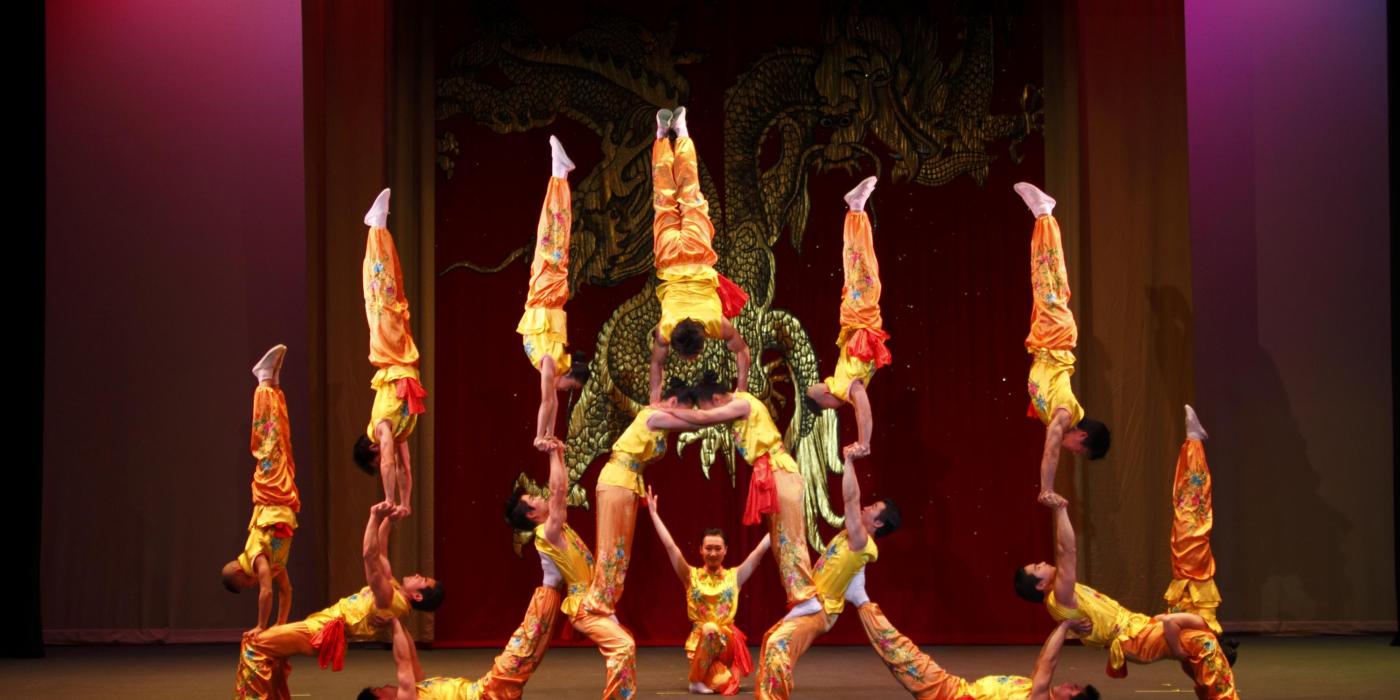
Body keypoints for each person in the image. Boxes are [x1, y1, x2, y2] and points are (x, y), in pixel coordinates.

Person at [1014, 495, 1238, 698]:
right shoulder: (1059, 596)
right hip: (1134, 638)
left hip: (1137, 630)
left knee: (1195, 641)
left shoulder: (1059, 595)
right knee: (1198, 642)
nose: (1042, 562)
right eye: (1037, 567)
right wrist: (1061, 509)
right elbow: (1067, 551)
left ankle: (1209, 684)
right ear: (1041, 584)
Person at [233, 503, 444, 699]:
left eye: (422, 579)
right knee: (270, 652)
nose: (417, 574)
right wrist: (390, 518)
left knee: (255, 644)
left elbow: (369, 556)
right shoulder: (394, 591)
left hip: (320, 632)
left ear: (417, 595)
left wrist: (374, 516)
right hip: (319, 626)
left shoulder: (389, 599)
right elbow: (380, 548)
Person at [754, 444, 901, 700]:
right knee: (772, 641)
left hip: (820, 611)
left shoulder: (862, 542)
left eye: (873, 507)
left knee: (779, 645)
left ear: (878, 522)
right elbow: (855, 578)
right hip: (812, 604)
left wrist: (850, 462)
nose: (866, 507)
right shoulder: (853, 541)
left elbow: (851, 500)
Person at [661, 373, 816, 611]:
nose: (711, 414)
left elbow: (703, 418)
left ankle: (805, 595)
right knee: (779, 539)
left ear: (716, 398)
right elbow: (741, 353)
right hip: (770, 473)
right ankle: (798, 594)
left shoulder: (740, 404)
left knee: (790, 536)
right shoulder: (739, 400)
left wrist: (662, 411)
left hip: (779, 470)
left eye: (708, 407)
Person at [1012, 183, 1110, 508]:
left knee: (1045, 277)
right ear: (1082, 437)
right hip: (1055, 338)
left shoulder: (1060, 414)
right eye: (1078, 450)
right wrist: (1046, 488)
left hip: (1045, 339)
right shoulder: (1065, 414)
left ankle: (1043, 215)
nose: (1071, 450)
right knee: (1047, 274)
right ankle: (1045, 213)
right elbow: (1052, 446)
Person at [648, 107, 750, 403]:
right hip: (669, 254)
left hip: (695, 251)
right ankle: (660, 137)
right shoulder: (665, 329)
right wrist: (654, 399)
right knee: (664, 198)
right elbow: (657, 364)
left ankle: (681, 132)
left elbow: (742, 352)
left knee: (690, 192)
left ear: (703, 340)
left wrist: (741, 389)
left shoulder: (716, 323)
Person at [857, 590, 1100, 700]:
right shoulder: (1036, 689)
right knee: (901, 655)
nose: (1069, 684)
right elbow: (1042, 662)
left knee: (902, 653)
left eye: (1073, 689)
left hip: (952, 696)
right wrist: (1062, 628)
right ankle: (861, 601)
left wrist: (1066, 626)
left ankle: (861, 599)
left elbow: (1049, 663)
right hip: (956, 688)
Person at [645, 485, 771, 694]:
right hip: (699, 643)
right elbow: (671, 547)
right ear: (701, 550)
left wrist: (779, 523)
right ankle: (706, 675)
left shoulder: (735, 576)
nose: (713, 553)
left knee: (712, 629)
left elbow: (759, 552)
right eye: (709, 548)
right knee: (725, 683)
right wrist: (654, 515)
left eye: (717, 548)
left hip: (726, 642)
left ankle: (696, 679)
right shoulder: (690, 576)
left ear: (725, 551)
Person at [353, 188, 428, 514]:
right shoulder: (400, 433)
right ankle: (379, 227)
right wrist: (405, 504)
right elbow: (404, 469)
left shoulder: (382, 426)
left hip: (390, 356)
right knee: (394, 295)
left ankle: (376, 227)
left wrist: (387, 499)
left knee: (380, 299)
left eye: (380, 453)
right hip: (404, 358)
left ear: (372, 446)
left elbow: (388, 464)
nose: (388, 454)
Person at [805, 176, 891, 453]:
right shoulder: (843, 389)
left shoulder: (842, 388)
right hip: (862, 321)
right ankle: (856, 210)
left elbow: (814, 392)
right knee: (863, 268)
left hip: (858, 319)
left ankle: (855, 208)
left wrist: (864, 441)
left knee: (861, 267)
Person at [517, 135, 592, 450]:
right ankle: (558, 174)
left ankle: (559, 174)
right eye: (568, 387)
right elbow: (549, 401)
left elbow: (551, 402)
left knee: (554, 237)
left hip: (546, 297)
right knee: (552, 236)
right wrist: (540, 435)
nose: (561, 390)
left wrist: (546, 434)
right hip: (546, 296)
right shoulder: (550, 362)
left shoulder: (552, 363)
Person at [221, 344, 299, 633]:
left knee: (268, 443)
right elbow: (285, 591)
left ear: (241, 575)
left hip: (270, 495)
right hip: (285, 500)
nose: (253, 585)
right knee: (283, 440)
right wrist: (280, 627)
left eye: (247, 584)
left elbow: (267, 591)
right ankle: (274, 385)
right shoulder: (276, 565)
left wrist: (260, 626)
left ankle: (263, 381)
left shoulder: (255, 556)